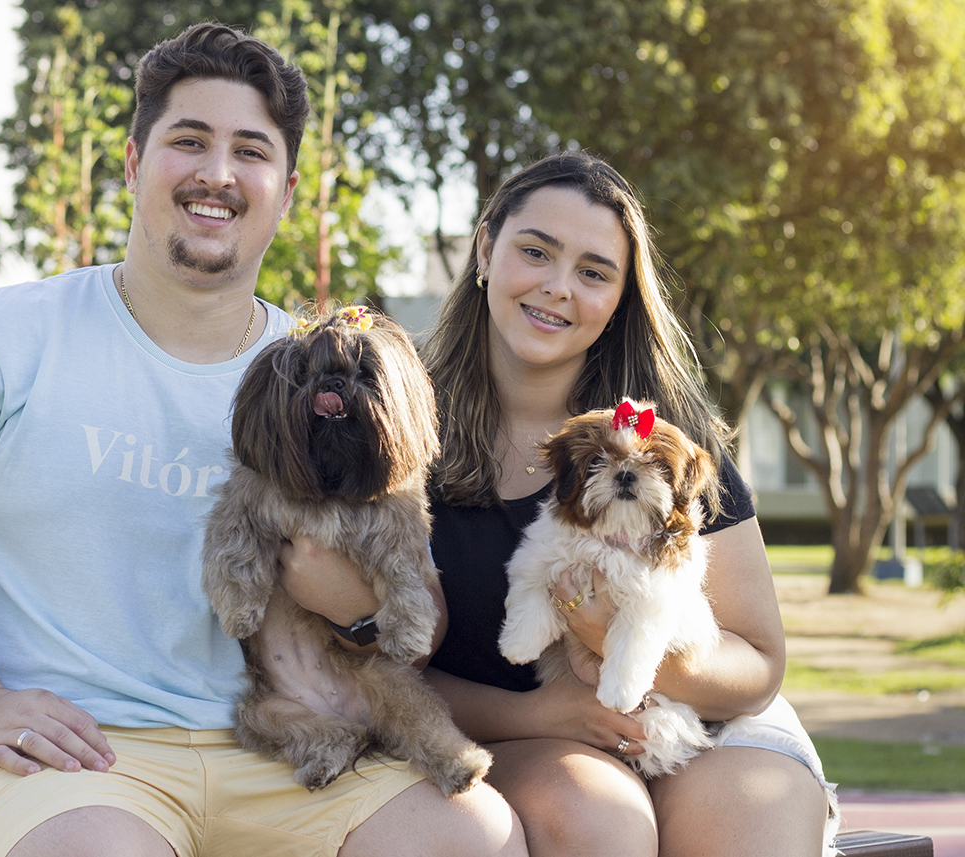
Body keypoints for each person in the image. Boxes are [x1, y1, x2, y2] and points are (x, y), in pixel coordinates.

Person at [0, 23, 525, 857]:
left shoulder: (336, 378)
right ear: (132, 163)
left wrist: (358, 609)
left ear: (285, 192)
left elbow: (415, 599)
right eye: (189, 140)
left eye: (250, 151)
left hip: (286, 748)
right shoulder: (1, 337)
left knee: (473, 837)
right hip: (68, 759)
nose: (217, 173)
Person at [283, 150, 839, 857]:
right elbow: (364, 661)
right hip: (504, 731)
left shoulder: (666, 442)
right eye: (536, 252)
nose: (558, 287)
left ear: (619, 299)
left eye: (594, 272)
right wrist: (540, 713)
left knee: (751, 817)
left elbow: (757, 664)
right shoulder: (389, 427)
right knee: (596, 818)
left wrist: (619, 649)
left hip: (701, 722)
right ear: (485, 249)